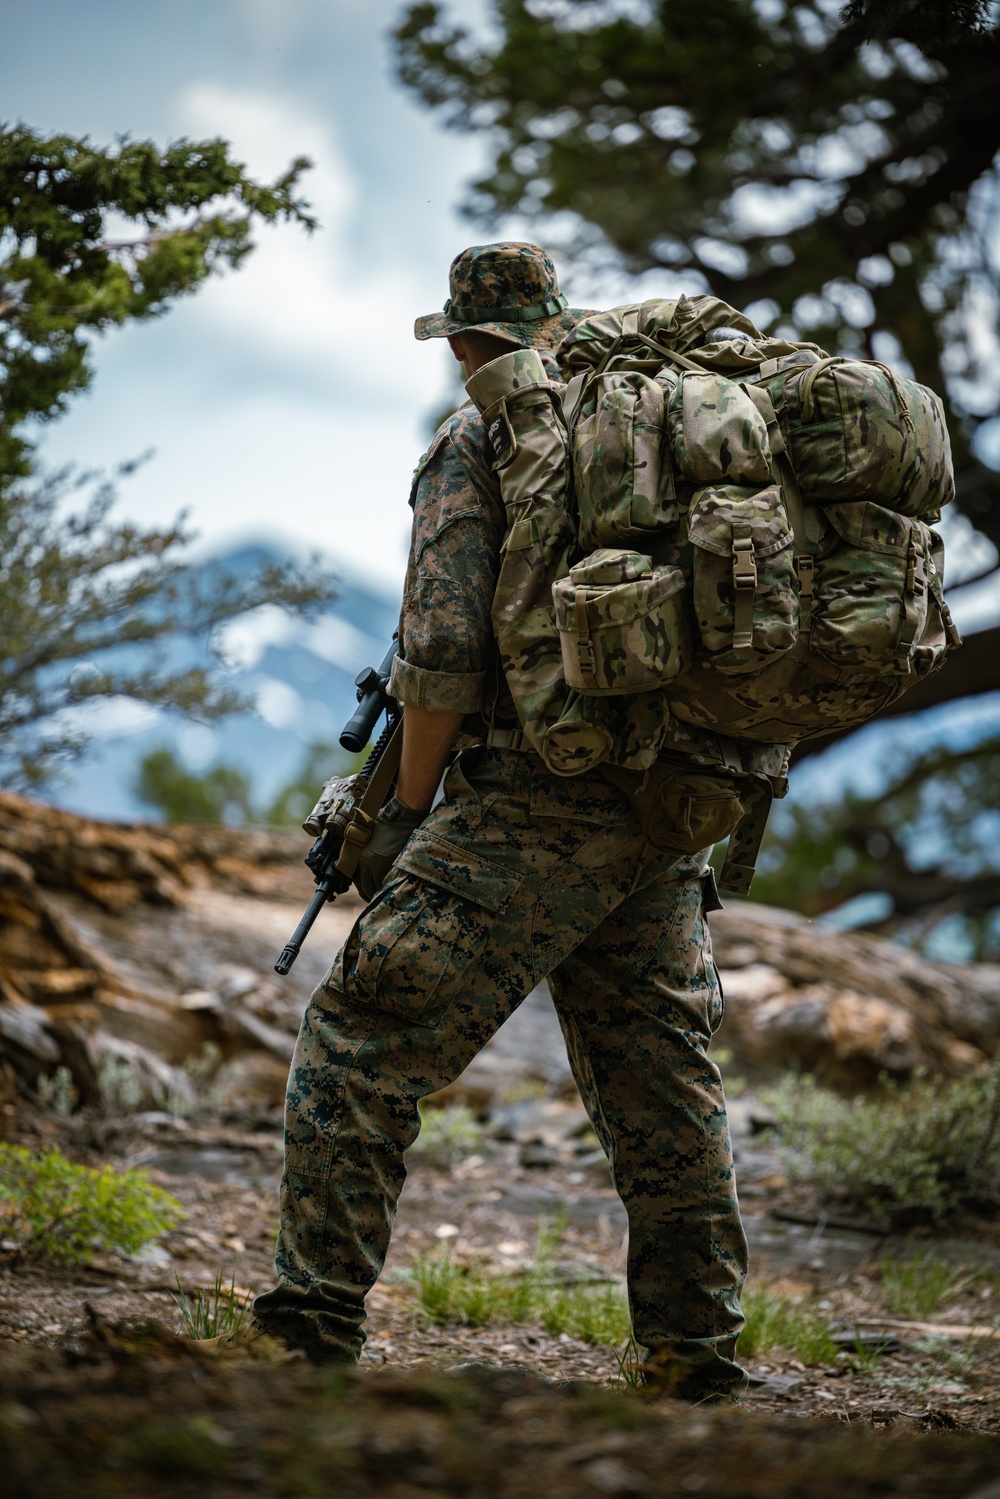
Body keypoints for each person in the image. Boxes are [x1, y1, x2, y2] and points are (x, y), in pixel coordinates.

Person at [250, 242, 750, 1401]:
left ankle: (305, 1332)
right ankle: (695, 1354)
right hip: (672, 801)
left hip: (533, 796)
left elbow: (440, 655)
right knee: (660, 1082)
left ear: (467, 345)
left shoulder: (476, 439)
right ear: (558, 323)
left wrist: (406, 813)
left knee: (361, 1036)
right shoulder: (655, 430)